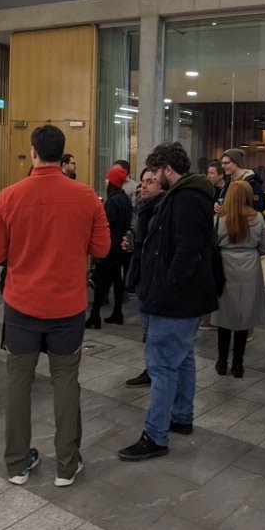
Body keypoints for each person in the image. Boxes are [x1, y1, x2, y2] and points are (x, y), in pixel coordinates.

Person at [0, 124, 110, 487]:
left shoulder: (9, 197)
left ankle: (17, 464)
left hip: (21, 306)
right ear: (63, 153)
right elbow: (101, 249)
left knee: (18, 383)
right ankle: (67, 466)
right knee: (66, 382)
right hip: (67, 308)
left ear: (33, 151)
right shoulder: (86, 197)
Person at [118, 141, 218, 461]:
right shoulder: (186, 195)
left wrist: (167, 285)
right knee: (183, 358)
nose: (152, 177)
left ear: (168, 170)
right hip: (183, 299)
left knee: (161, 367)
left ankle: (156, 436)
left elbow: (188, 251)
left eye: (155, 172)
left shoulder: (186, 198)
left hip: (175, 300)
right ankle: (182, 417)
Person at [212, 180, 265, 377]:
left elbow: (213, 244)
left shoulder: (219, 218)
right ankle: (238, 365)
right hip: (250, 267)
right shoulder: (258, 218)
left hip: (225, 266)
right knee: (244, 318)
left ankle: (221, 362)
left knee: (224, 316)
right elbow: (264, 247)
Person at [124, 166, 164, 388]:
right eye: (143, 181)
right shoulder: (142, 207)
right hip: (141, 272)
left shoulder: (161, 209)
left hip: (152, 277)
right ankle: (151, 368)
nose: (144, 186)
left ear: (161, 184)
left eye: (150, 181)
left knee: (153, 331)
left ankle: (155, 371)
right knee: (148, 329)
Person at [86, 166, 133, 329]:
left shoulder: (113, 201)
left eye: (107, 179)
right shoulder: (125, 199)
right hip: (121, 246)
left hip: (110, 247)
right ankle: (117, 313)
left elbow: (106, 224)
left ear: (112, 182)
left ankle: (94, 316)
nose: (105, 181)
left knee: (101, 281)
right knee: (116, 279)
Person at [219, 148, 265, 217]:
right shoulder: (228, 183)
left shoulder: (252, 184)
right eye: (222, 163)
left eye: (226, 163)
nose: (223, 166)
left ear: (237, 163)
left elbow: (256, 211)